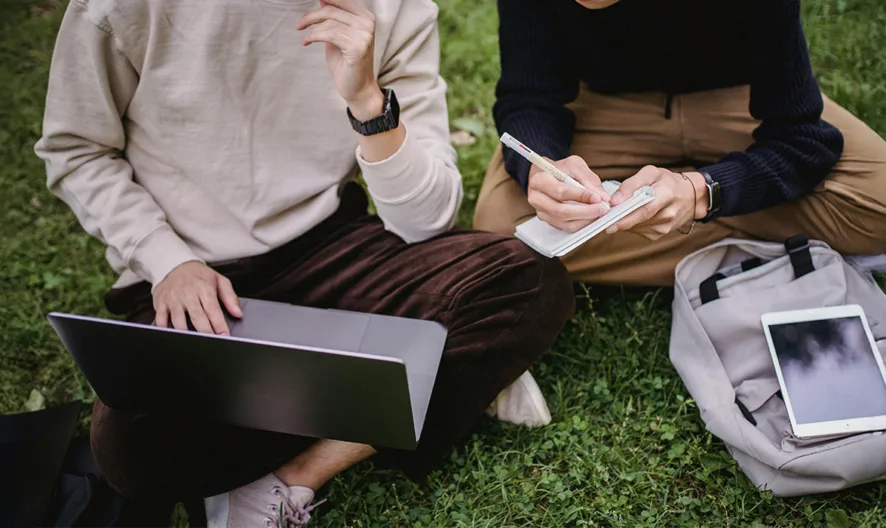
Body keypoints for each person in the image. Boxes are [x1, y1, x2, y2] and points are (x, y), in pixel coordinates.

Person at [35, 0, 574, 525]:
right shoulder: (120, 7)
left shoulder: (397, 8)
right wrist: (166, 259)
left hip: (335, 247)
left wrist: (368, 102)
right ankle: (450, 373)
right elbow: (77, 151)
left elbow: (427, 221)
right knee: (128, 445)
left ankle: (304, 467)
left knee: (530, 282)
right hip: (194, 275)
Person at [475, 0, 886, 290]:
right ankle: (789, 241)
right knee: (497, 233)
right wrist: (542, 166)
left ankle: (685, 219)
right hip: (605, 108)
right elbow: (530, 97)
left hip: (737, 99)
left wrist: (703, 191)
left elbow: (800, 137)